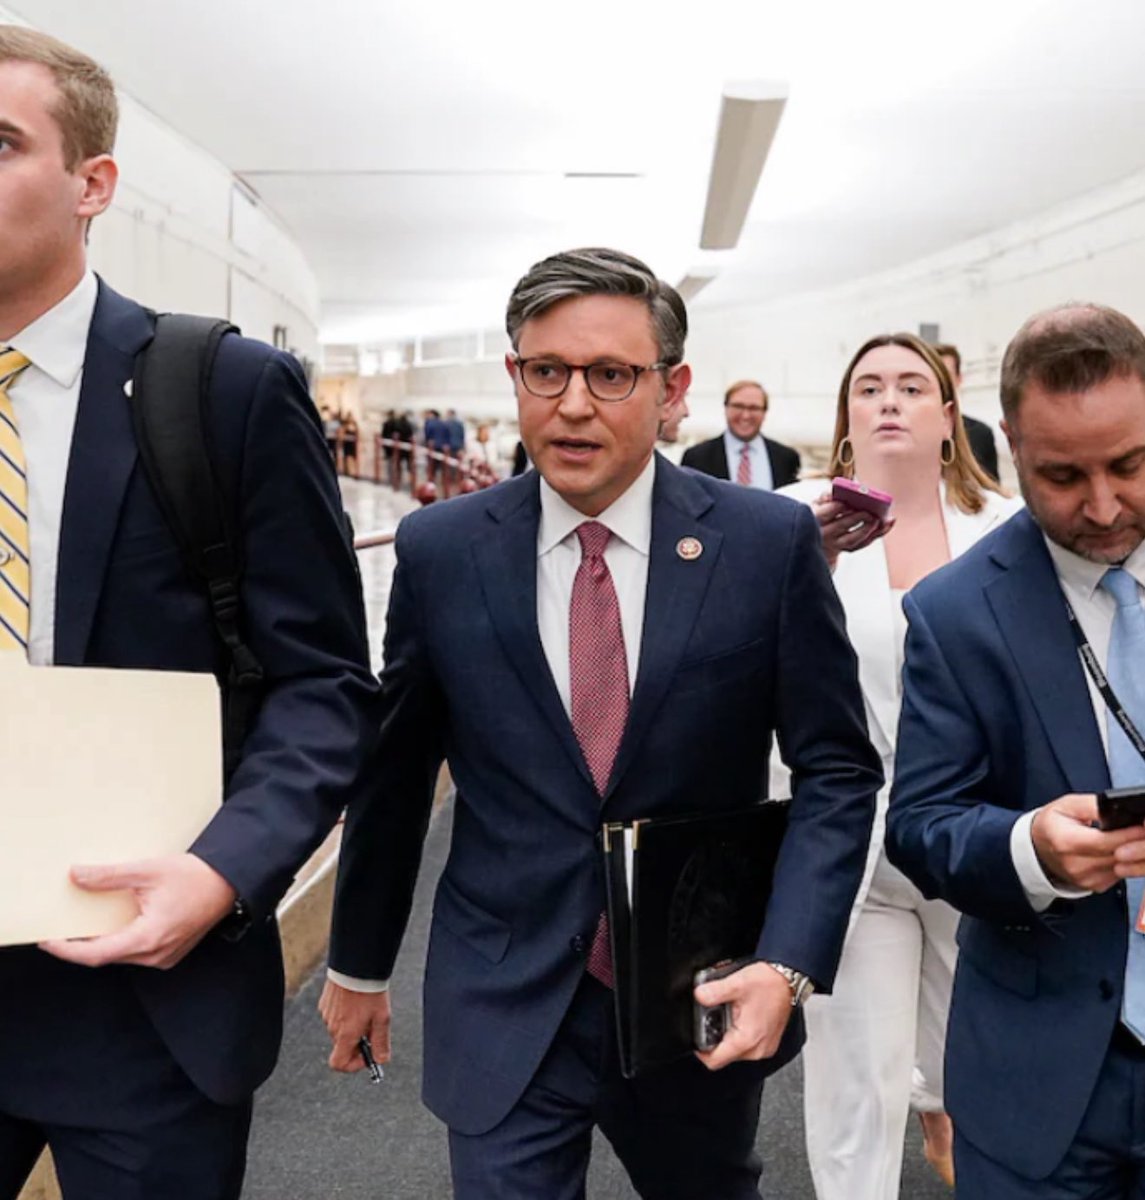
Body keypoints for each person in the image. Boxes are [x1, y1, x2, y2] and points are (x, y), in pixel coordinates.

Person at [320, 247, 881, 1199]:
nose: (573, 403)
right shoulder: (441, 550)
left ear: (671, 389)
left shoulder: (761, 544)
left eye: (612, 374)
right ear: (516, 377)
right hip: (500, 990)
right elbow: (397, 772)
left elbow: (836, 770)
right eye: (547, 371)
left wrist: (786, 963)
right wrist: (359, 965)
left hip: (692, 990)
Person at [0, 27, 377, 1200]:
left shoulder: (214, 392)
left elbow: (322, 685)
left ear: (93, 183)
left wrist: (222, 872)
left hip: (139, 1005)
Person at [886, 303, 1145, 1197]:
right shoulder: (953, 613)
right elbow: (919, 826)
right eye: (1062, 476)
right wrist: (1030, 848)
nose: (1103, 504)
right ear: (1008, 443)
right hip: (1042, 1091)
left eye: (1130, 465)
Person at [775, 334, 1015, 1198]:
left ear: (949, 419)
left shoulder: (1005, 531)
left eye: (912, 387)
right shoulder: (789, 522)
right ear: (845, 418)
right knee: (854, 1088)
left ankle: (946, 1117)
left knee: (985, 1064)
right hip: (850, 847)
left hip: (974, 840)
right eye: (868, 387)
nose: (888, 400)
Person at [681, 379, 800, 489]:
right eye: (738, 406)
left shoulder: (786, 458)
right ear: (726, 408)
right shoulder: (697, 458)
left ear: (765, 412)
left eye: (754, 408)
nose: (745, 416)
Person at [933, 343, 1001, 482]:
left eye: (947, 375)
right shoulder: (910, 434)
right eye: (935, 376)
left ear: (959, 379)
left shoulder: (981, 434)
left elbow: (993, 490)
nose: (941, 383)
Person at [340, 411, 359, 477]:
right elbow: (342, 434)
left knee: (354, 458)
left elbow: (358, 434)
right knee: (347, 457)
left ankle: (354, 472)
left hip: (353, 444)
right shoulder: (345, 425)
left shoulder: (355, 425)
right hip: (347, 443)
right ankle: (347, 471)